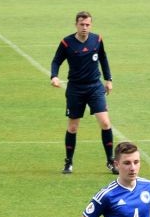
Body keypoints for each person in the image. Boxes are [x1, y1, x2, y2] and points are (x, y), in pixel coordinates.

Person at [50, 11, 116, 175]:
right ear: (76, 25)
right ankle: (68, 162)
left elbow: (103, 58)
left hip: (95, 87)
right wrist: (54, 76)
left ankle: (110, 161)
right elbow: (56, 60)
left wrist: (108, 79)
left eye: (87, 24)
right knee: (73, 127)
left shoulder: (97, 39)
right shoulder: (67, 42)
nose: (84, 27)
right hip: (75, 89)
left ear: (91, 25)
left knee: (105, 123)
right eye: (82, 24)